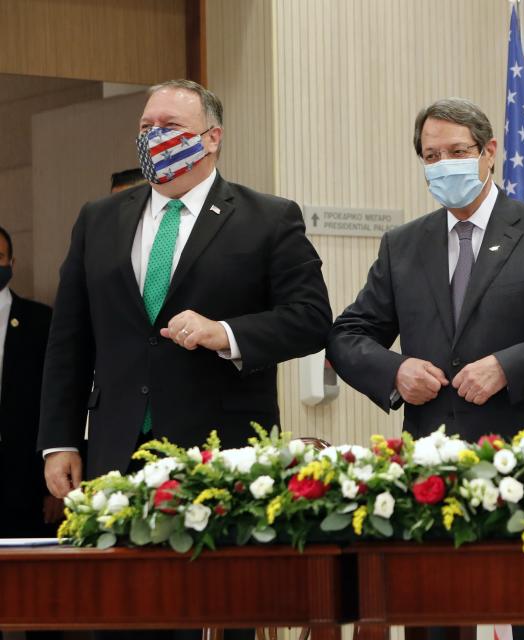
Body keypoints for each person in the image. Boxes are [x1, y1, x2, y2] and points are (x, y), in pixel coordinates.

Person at [328, 97, 524, 640]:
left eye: (457, 151)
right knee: (436, 622)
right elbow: (347, 334)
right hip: (434, 473)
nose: (443, 164)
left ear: (490, 152)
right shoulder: (402, 245)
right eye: (431, 156)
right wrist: (395, 370)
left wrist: (508, 365)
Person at [38, 79, 332, 499]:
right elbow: (68, 338)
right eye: (146, 127)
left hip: (222, 447)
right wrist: (60, 440)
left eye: (170, 125)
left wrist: (225, 333)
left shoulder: (268, 218)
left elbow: (312, 319)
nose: (154, 136)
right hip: (116, 448)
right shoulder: (98, 219)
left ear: (211, 138)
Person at [0, 226, 60, 539]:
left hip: (24, 484)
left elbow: (58, 402)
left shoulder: (40, 321)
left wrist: (55, 489)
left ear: (12, 262)